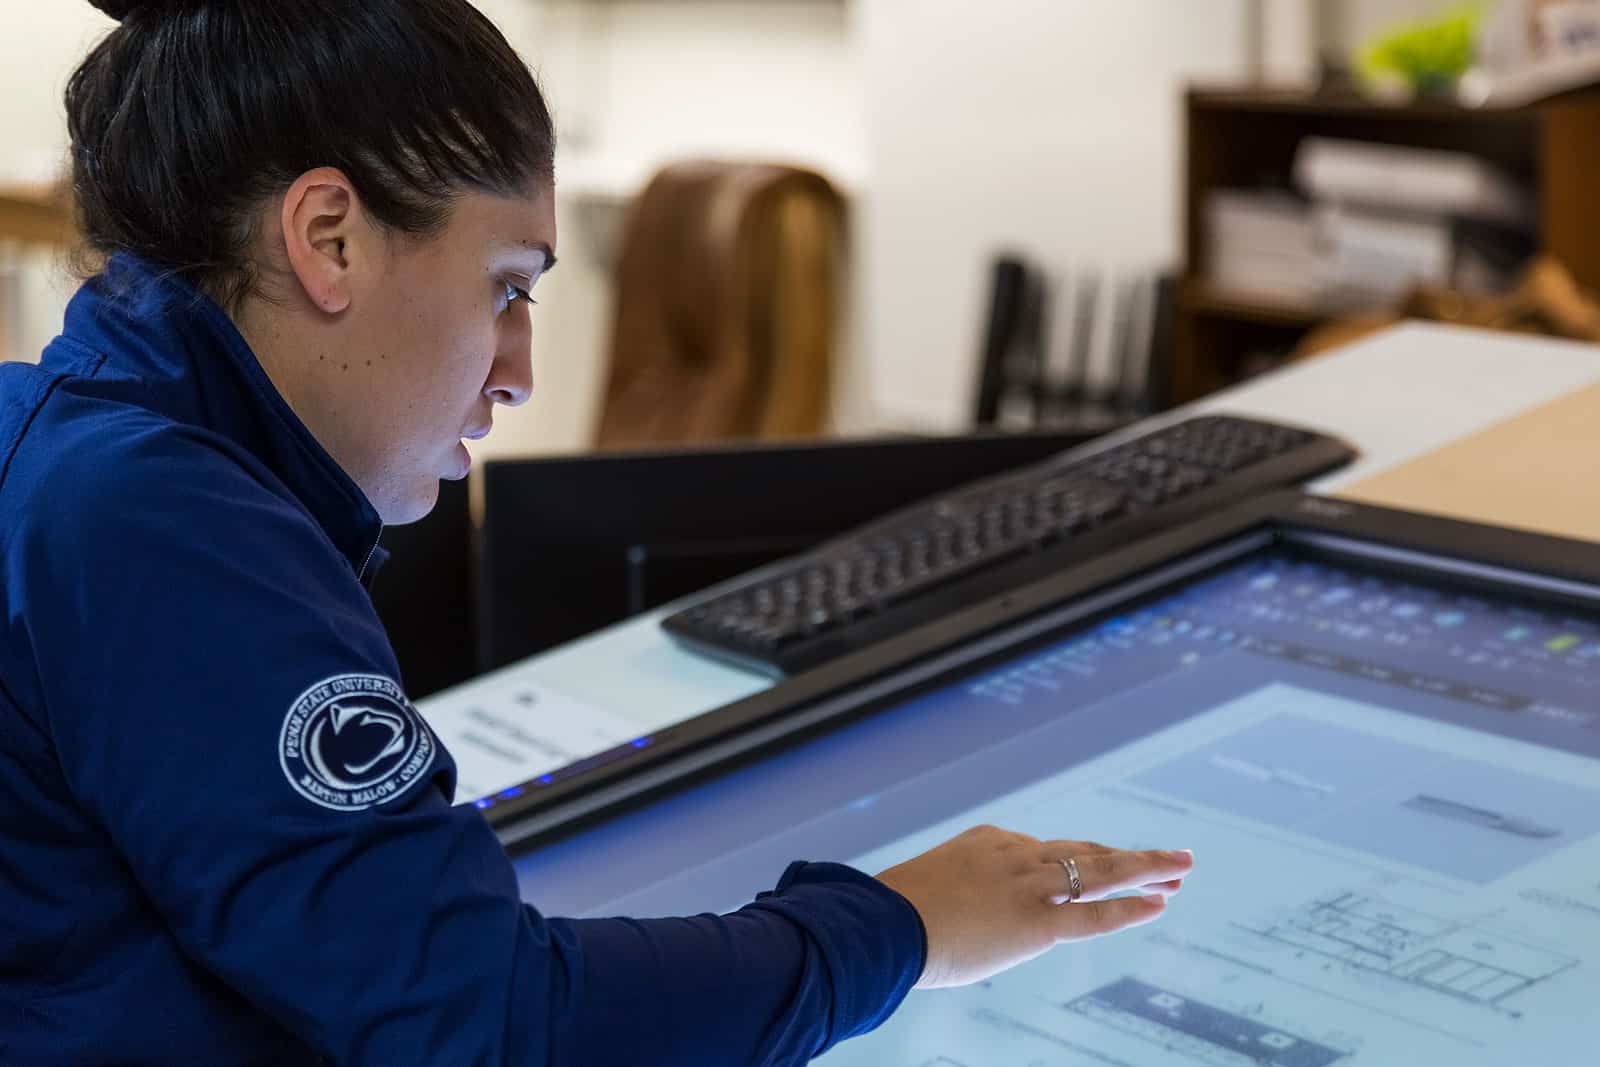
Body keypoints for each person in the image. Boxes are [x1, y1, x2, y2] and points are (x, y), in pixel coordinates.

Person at [0, 1, 1196, 1064]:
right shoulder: (168, 528)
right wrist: (898, 927)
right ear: (329, 239)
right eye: (508, 286)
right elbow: (492, 1022)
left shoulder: (65, 440)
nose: (520, 370)